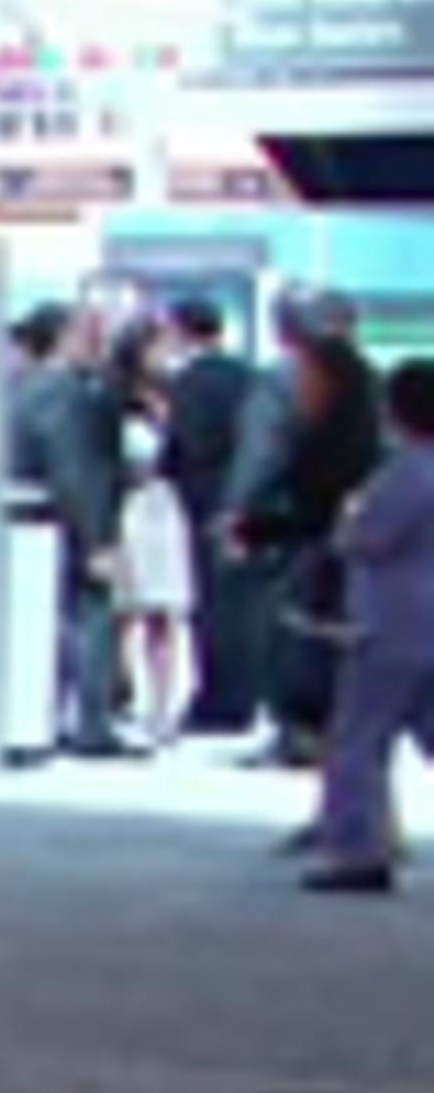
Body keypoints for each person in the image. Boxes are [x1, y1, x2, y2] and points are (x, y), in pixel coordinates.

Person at [236, 295, 382, 773]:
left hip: (307, 533)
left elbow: (264, 453)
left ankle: (301, 730)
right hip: (346, 535)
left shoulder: (288, 380)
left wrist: (241, 511)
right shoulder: (369, 384)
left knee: (294, 631)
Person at [306, 358, 434, 894]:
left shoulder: (404, 474)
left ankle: (359, 851)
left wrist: (348, 519)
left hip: (392, 621)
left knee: (358, 740)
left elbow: (364, 538)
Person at [9, 304, 132, 760]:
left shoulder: (21, 386)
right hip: (63, 524)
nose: (97, 344)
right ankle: (91, 724)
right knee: (89, 619)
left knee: (50, 624)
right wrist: (98, 538)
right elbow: (74, 469)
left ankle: (45, 716)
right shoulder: (66, 394)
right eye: (87, 334)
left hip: (30, 522)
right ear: (63, 338)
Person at [159, 296, 263, 734]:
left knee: (210, 602)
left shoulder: (188, 382)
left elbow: (186, 444)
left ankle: (217, 700)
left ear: (182, 330)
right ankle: (246, 695)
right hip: (246, 499)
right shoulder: (248, 376)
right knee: (242, 603)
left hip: (203, 498)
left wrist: (165, 470)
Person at [109, 321, 198, 747]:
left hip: (164, 507)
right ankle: (115, 693)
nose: (168, 355)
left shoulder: (177, 397)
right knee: (122, 610)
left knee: (164, 612)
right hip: (128, 507)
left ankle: (161, 709)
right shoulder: (113, 398)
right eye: (160, 347)